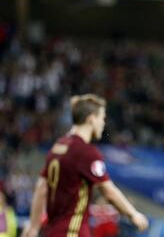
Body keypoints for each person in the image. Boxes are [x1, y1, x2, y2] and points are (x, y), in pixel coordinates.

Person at [22, 94, 148, 237]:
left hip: (53, 231)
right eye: (102, 118)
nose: (103, 123)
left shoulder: (59, 146)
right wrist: (133, 214)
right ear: (91, 118)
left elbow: (41, 187)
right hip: (72, 231)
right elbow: (108, 191)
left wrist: (33, 226)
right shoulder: (86, 152)